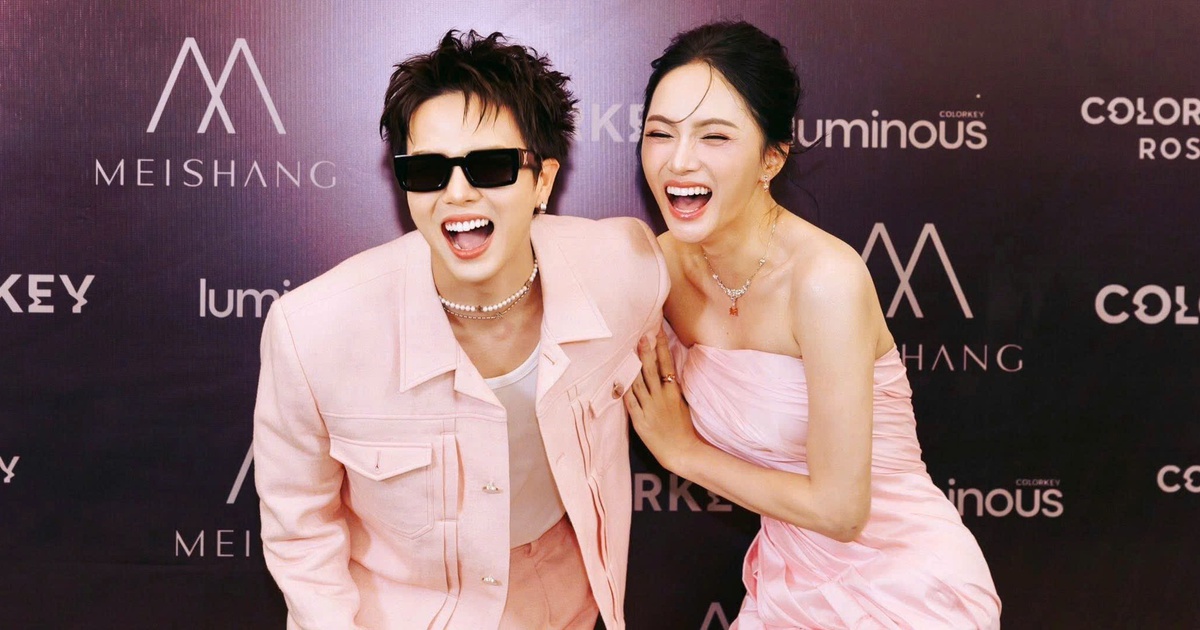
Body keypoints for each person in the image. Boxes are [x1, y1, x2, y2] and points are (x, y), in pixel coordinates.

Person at [254, 30, 667, 630]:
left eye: (491, 165)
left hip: (572, 602)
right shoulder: (313, 332)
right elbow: (300, 532)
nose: (457, 192)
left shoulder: (625, 269)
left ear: (543, 180)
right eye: (427, 170)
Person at [623, 21, 1002, 629]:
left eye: (714, 136)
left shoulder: (825, 280)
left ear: (771, 157)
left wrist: (682, 452)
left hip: (905, 589)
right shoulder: (657, 269)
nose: (679, 160)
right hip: (789, 583)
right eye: (660, 134)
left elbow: (841, 511)